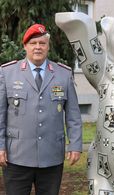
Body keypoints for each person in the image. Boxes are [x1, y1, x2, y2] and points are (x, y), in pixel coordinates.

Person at [0, 23, 83, 195]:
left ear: (48, 46)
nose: (38, 47)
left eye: (42, 43)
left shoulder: (63, 74)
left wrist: (75, 145)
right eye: (33, 43)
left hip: (51, 156)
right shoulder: (7, 73)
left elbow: (73, 115)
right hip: (16, 156)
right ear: (25, 46)